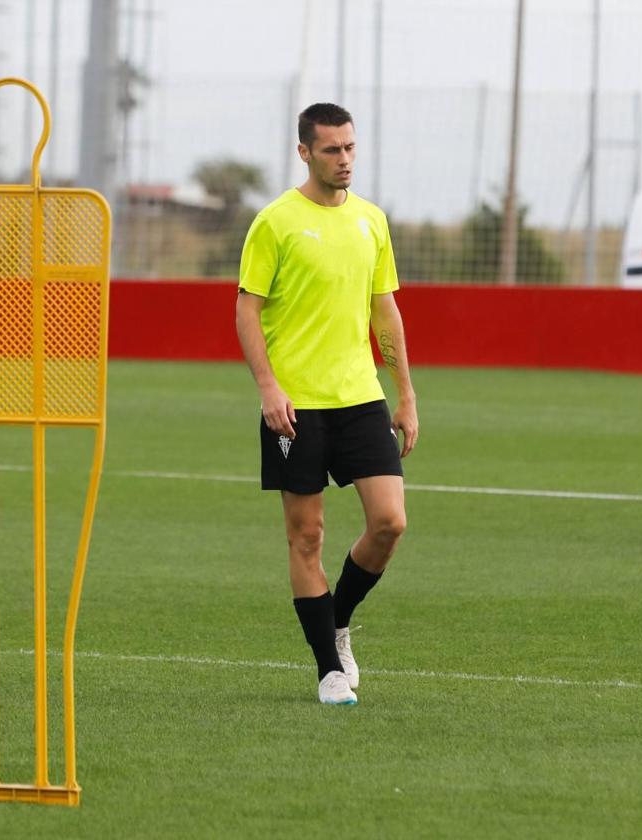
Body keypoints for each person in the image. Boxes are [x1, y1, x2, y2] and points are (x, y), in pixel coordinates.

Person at [235, 103, 418, 705]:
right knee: (305, 537)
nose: (345, 160)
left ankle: (337, 620)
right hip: (296, 407)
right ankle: (328, 671)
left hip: (360, 396)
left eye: (350, 147)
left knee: (390, 522)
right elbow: (247, 310)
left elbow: (384, 311)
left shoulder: (371, 222)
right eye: (332, 150)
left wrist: (406, 394)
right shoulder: (275, 223)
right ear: (305, 152)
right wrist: (267, 387)